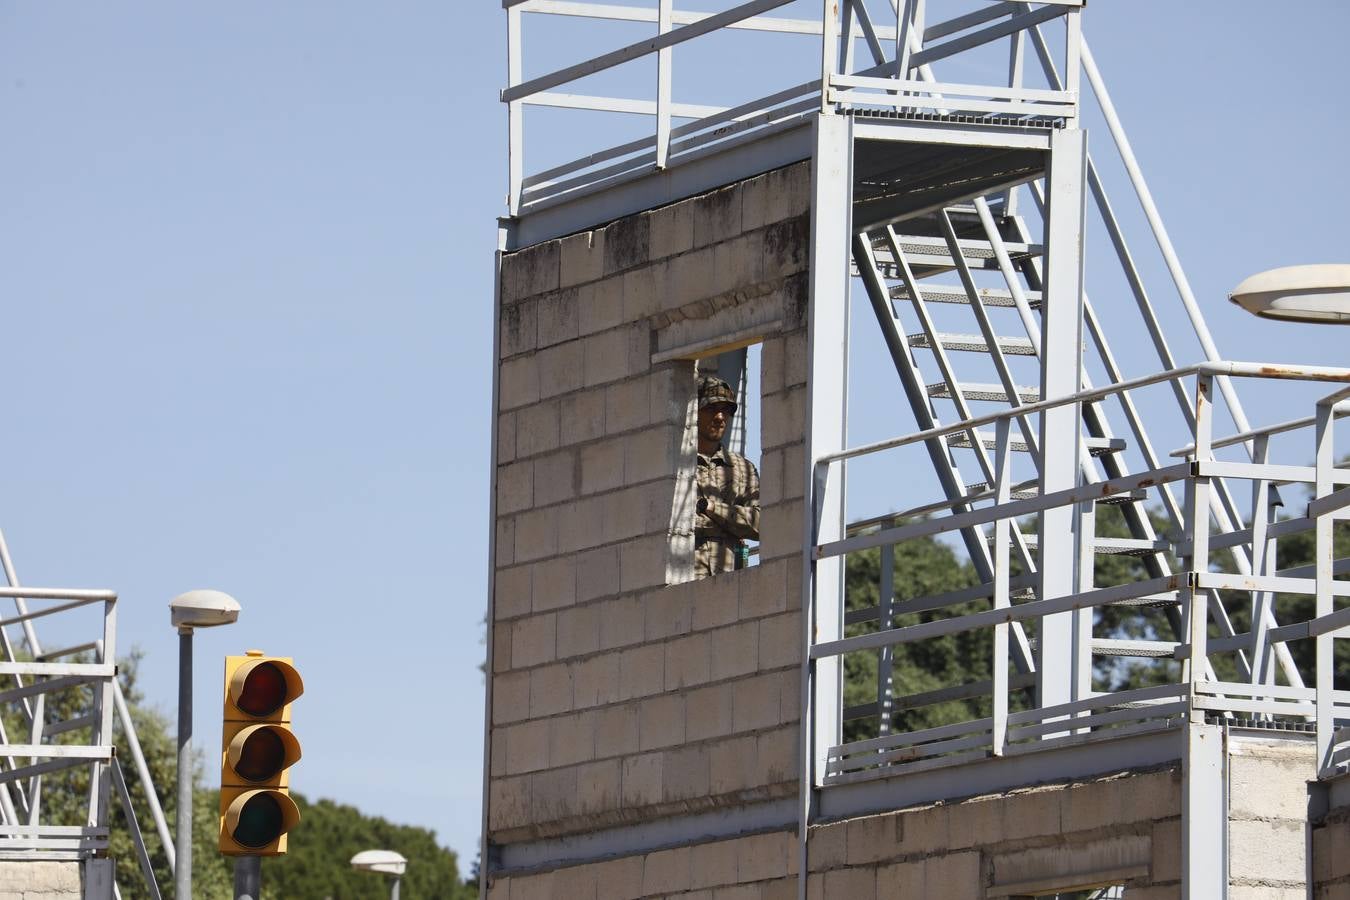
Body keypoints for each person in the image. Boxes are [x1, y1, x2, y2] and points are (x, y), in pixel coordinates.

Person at [693, 375, 760, 578]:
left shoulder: (742, 468)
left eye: (726, 410)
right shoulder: (675, 465)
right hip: (685, 580)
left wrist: (711, 509)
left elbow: (760, 523)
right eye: (712, 408)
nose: (720, 417)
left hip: (731, 580)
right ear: (694, 412)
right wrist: (732, 526)